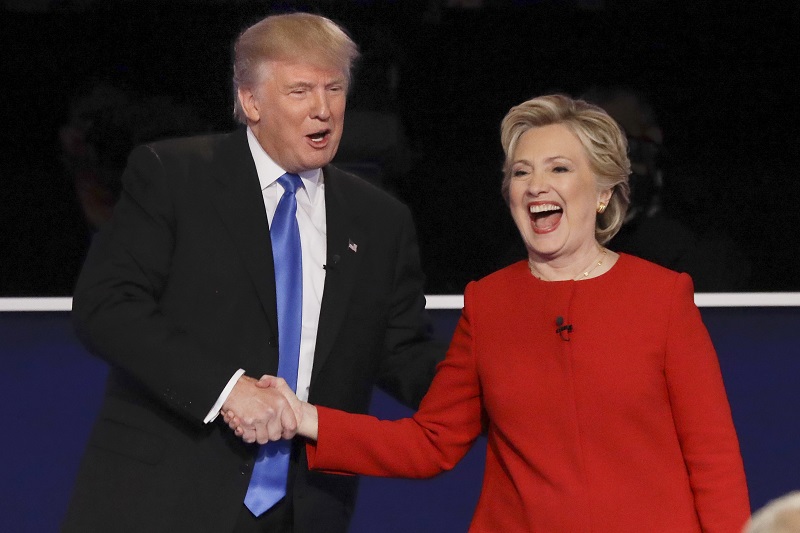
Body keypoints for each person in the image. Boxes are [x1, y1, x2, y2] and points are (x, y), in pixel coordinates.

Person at [230, 94, 751, 531]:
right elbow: (430, 441)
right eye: (520, 172)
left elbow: (714, 461)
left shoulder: (661, 297)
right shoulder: (490, 302)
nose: (535, 185)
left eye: (559, 168)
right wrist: (304, 417)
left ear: (603, 194)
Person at [63, 12, 444, 533]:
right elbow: (107, 306)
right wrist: (227, 390)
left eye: (335, 89)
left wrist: (506, 389)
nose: (324, 110)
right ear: (251, 101)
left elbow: (402, 352)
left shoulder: (380, 219)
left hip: (301, 509)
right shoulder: (174, 176)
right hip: (162, 499)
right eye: (300, 91)